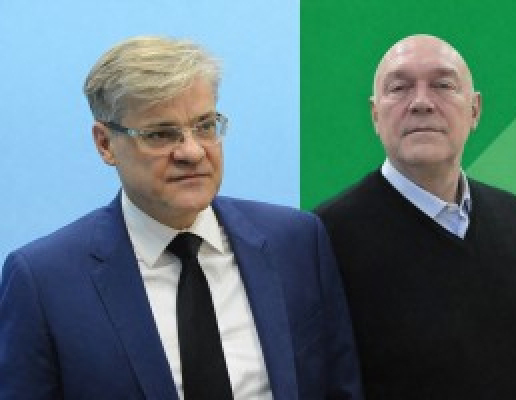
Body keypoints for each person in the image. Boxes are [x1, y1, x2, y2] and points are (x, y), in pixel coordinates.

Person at [0, 36, 363, 400]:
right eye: (161, 134)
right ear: (105, 144)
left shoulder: (296, 242)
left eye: (205, 126)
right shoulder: (43, 282)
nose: (192, 152)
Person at [315, 34, 516, 399]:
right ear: (375, 115)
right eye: (399, 88)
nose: (421, 103)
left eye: (443, 85)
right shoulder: (326, 238)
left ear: (475, 110)